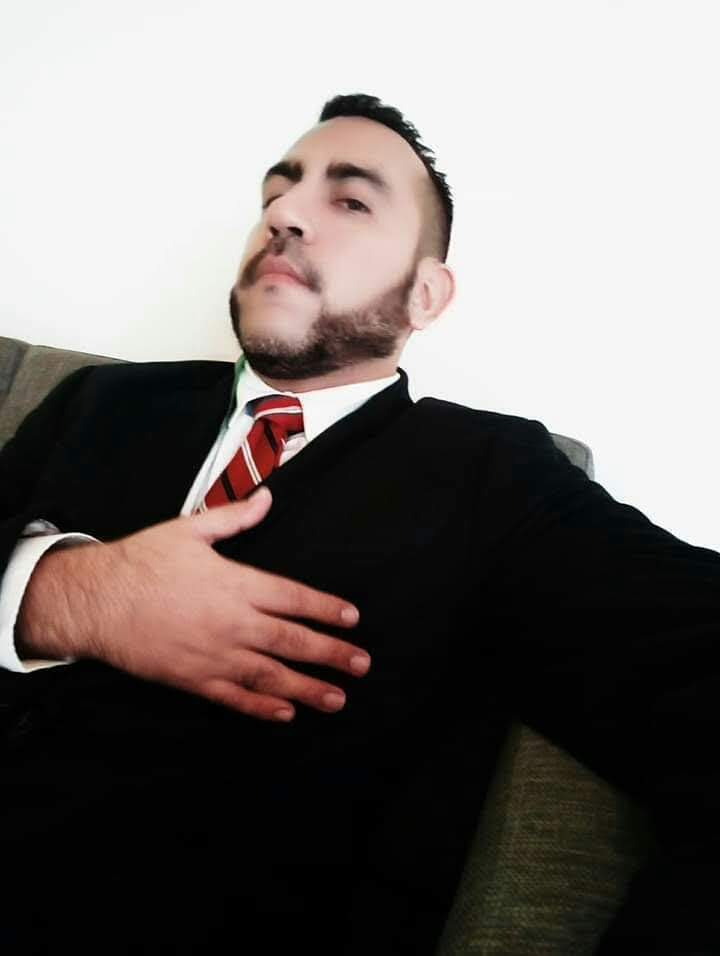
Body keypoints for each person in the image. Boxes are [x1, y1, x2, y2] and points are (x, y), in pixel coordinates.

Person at [1, 92, 720, 956]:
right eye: (276, 192)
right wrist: (60, 591)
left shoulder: (498, 479)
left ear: (426, 294)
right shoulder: (101, 401)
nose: (284, 215)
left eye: (348, 200)